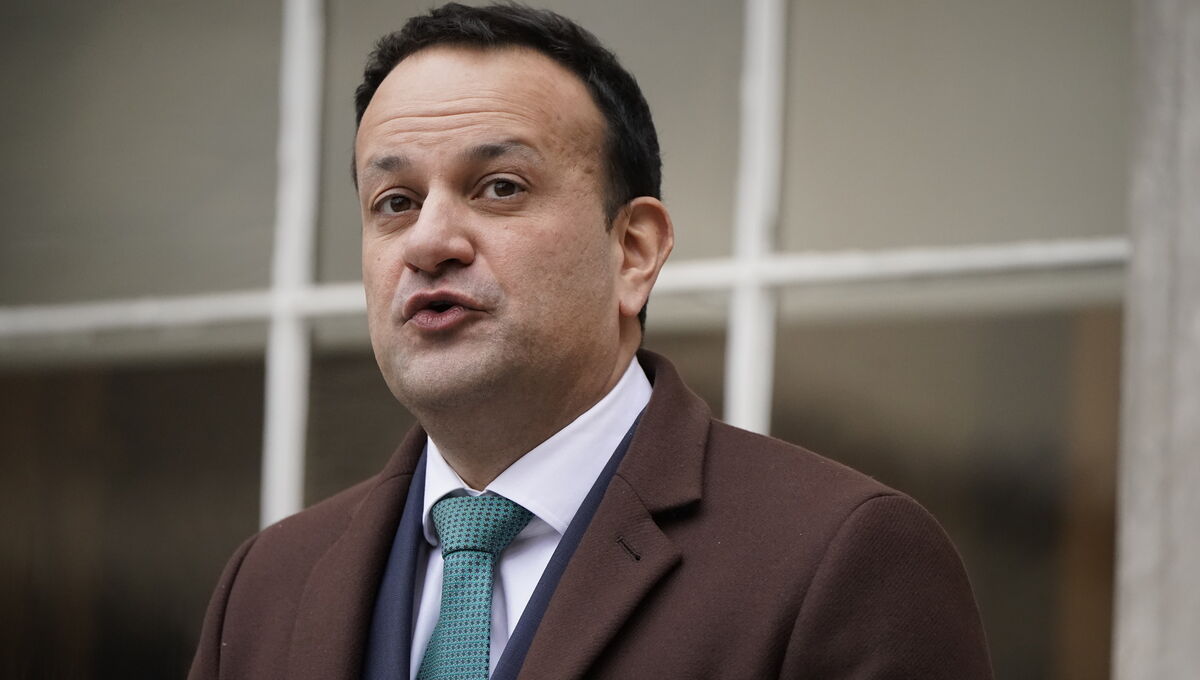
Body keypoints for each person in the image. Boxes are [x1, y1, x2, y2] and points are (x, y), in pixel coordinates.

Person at [189, 4, 992, 679]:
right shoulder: (265, 588)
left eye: (499, 187)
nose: (429, 240)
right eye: (394, 201)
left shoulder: (842, 558)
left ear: (634, 251)